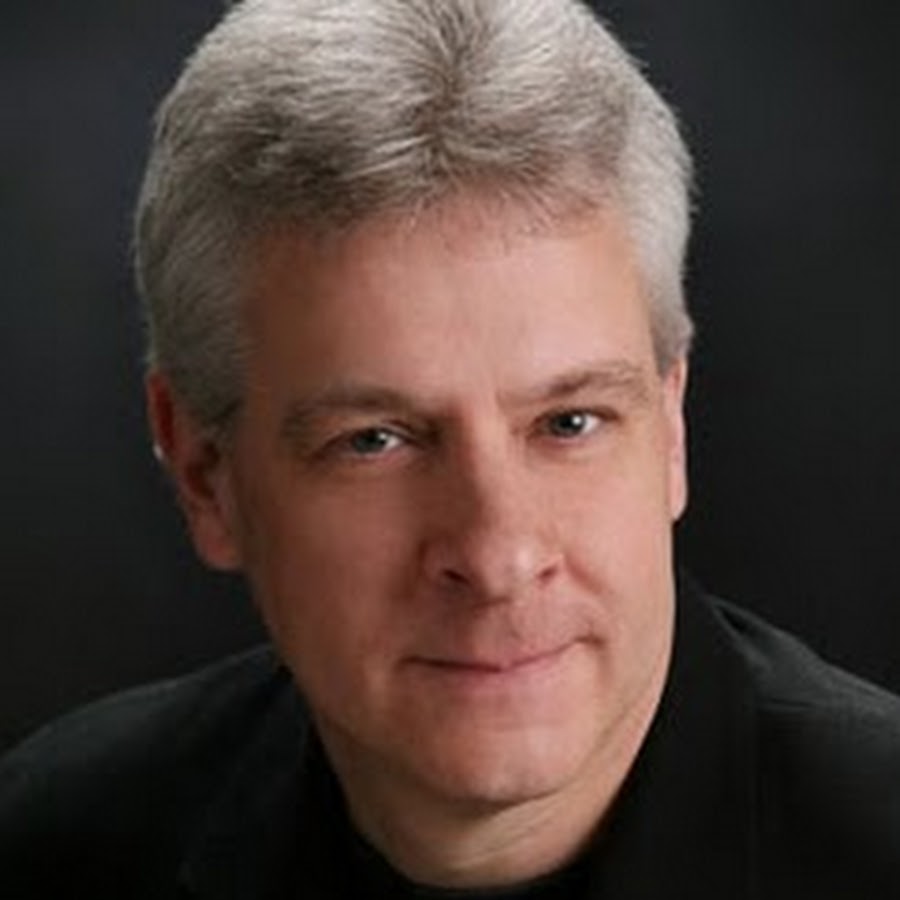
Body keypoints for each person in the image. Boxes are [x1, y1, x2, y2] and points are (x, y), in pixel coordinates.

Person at [1, 0, 898, 895]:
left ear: (670, 429)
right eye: (375, 441)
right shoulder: (54, 841)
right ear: (205, 476)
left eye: (569, 422)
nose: (499, 557)